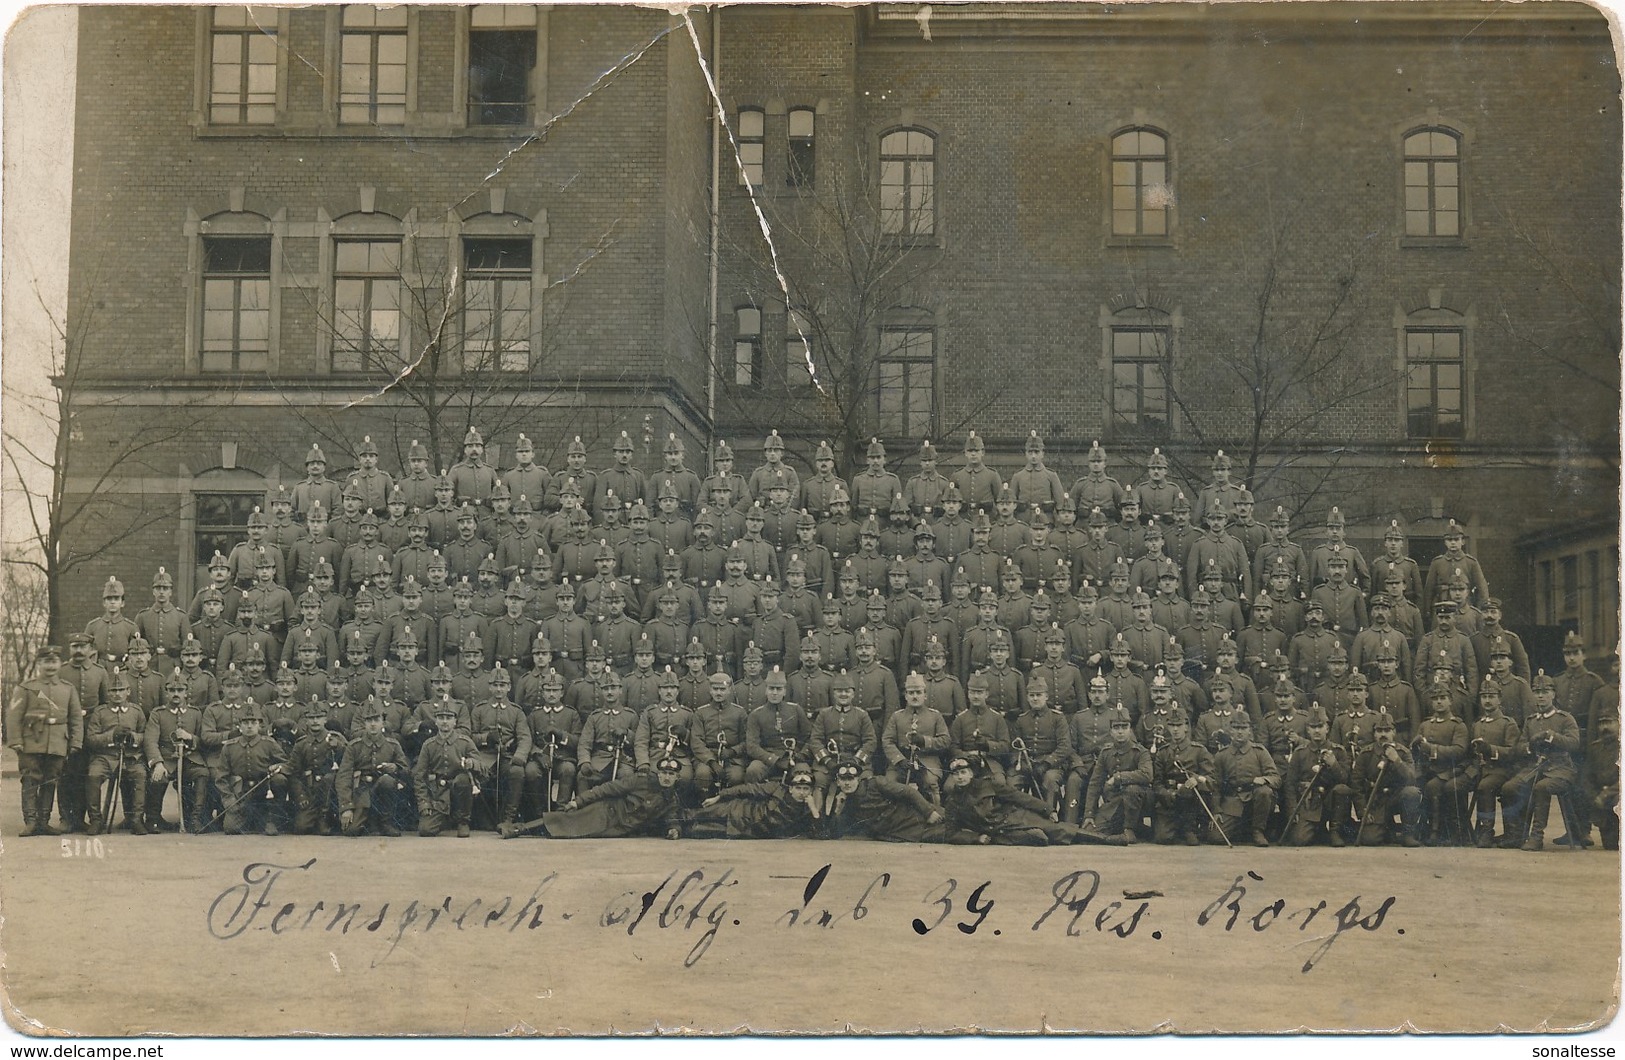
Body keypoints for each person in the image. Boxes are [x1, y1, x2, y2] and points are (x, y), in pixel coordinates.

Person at [942, 754, 1118, 846]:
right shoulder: (953, 802)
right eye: (956, 774)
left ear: (971, 773)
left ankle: (1105, 839)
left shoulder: (989, 784)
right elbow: (951, 833)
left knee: (1057, 830)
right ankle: (1034, 836)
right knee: (1039, 837)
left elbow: (1019, 796)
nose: (960, 777)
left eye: (963, 773)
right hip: (998, 834)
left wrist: (1047, 809)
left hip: (1015, 817)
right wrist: (976, 838)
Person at [1504, 670, 1582, 851]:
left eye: (1545, 692)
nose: (1540, 696)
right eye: (1537, 693)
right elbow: (1519, 747)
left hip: (1561, 768)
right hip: (1536, 767)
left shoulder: (1564, 718)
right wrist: (1530, 746)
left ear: (1553, 695)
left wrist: (1551, 736)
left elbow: (1574, 743)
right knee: (1510, 787)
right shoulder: (1530, 721)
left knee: (1541, 787)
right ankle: (1514, 834)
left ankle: (1536, 836)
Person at [529, 756, 686, 839]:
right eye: (663, 773)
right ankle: (519, 829)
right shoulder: (640, 780)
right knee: (563, 820)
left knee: (566, 833)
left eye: (671, 774)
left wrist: (674, 830)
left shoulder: (672, 799)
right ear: (658, 774)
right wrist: (578, 801)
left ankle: (527, 830)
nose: (666, 777)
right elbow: (607, 789)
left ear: (677, 777)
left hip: (618, 830)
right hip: (604, 812)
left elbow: (671, 818)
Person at [82, 668, 147, 836]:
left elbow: (145, 734)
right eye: (113, 690)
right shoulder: (100, 712)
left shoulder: (136, 711)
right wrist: (111, 736)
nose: (117, 694)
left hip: (130, 757)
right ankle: (96, 819)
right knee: (93, 775)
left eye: (121, 690)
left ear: (128, 691)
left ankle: (136, 819)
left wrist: (133, 737)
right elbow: (91, 739)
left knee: (140, 774)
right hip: (105, 757)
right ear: (108, 693)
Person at [687, 763, 821, 839]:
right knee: (694, 815)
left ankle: (674, 830)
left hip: (747, 830)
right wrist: (720, 795)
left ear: (810, 791)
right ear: (791, 788)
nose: (802, 792)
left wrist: (814, 811)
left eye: (805, 789)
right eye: (798, 788)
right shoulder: (777, 788)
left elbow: (820, 834)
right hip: (739, 810)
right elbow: (749, 788)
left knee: (695, 831)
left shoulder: (808, 808)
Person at [1280, 705, 1351, 847]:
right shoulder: (1300, 753)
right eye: (1313, 727)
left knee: (1342, 789)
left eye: (1320, 726)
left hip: (1330, 802)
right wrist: (1293, 811)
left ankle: (1334, 831)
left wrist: (1334, 764)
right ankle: (1319, 831)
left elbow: (1345, 779)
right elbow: (1290, 784)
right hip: (1309, 803)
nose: (1317, 730)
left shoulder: (1338, 751)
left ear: (1327, 728)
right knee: (1300, 840)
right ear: (1307, 730)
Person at [337, 703, 410, 837]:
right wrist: (346, 807)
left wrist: (395, 768)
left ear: (383, 723)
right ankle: (369, 822)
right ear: (364, 723)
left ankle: (386, 822)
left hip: (384, 791)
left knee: (387, 781)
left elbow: (406, 769)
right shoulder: (354, 746)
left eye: (376, 720)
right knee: (351, 831)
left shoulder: (392, 744)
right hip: (361, 792)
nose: (373, 724)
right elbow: (344, 776)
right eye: (369, 720)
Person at [1352, 710, 1423, 847]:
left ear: (1394, 732)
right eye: (1379, 730)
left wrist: (1396, 760)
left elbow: (1411, 779)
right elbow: (1356, 784)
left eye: (1387, 730)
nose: (1383, 734)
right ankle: (1388, 829)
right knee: (1370, 840)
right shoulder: (1366, 754)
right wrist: (1363, 811)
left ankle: (1408, 833)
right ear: (1374, 733)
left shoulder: (1403, 752)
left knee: (1412, 792)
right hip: (1376, 801)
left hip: (1396, 799)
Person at [1083, 705, 1153, 842]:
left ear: (1130, 730)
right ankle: (1136, 829)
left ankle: (1130, 829)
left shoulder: (1140, 751)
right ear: (1110, 731)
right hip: (1115, 801)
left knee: (1132, 789)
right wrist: (1089, 815)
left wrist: (1119, 778)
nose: (1120, 731)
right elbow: (1095, 784)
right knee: (1090, 833)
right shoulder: (1106, 753)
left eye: (1124, 727)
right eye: (1116, 728)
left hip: (1138, 800)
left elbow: (1147, 774)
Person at [1469, 682, 1526, 848]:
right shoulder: (1477, 724)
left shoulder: (1508, 723)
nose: (1487, 700)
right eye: (1484, 697)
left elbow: (1512, 753)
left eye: (1491, 697)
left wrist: (1490, 749)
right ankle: (1463, 830)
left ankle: (1487, 831)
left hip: (1502, 771)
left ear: (1499, 699)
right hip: (1481, 770)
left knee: (1485, 786)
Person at [1413, 685, 1471, 845]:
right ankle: (1418, 828)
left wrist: (1432, 750)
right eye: (1435, 699)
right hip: (1428, 770)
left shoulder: (1458, 725)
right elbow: (1418, 752)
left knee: (1432, 787)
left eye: (1442, 698)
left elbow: (1459, 751)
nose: (1439, 702)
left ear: (1450, 701)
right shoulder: (1425, 725)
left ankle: (1435, 831)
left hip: (1450, 770)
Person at [220, 707, 290, 836]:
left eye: (254, 723)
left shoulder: (269, 743)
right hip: (241, 793)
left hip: (264, 791)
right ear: (239, 725)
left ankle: (271, 819)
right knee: (231, 829)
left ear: (259, 725)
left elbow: (287, 764)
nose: (249, 726)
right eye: (245, 723)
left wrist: (277, 766)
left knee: (279, 780)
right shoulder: (229, 747)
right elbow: (221, 777)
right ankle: (250, 819)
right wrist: (229, 800)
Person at [1212, 714, 1278, 847]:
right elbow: (1216, 785)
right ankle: (1242, 830)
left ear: (1249, 730)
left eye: (1243, 728)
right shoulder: (1222, 755)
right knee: (1216, 837)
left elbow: (1276, 778)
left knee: (1264, 792)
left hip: (1255, 801)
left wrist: (1264, 779)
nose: (1239, 732)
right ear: (1230, 730)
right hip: (1232, 802)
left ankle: (1257, 830)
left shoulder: (1259, 751)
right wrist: (1217, 810)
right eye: (1236, 728)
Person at [414, 701, 479, 838]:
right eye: (441, 718)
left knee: (463, 779)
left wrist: (471, 763)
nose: (445, 722)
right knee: (425, 830)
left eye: (449, 718)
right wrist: (424, 804)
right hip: (439, 795)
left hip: (460, 793)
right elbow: (419, 777)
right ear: (436, 721)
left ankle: (462, 821)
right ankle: (446, 819)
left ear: (455, 721)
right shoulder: (428, 745)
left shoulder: (465, 742)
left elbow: (481, 765)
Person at [1151, 713, 1217, 845]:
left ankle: (1189, 829)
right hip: (1169, 800)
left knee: (1187, 792)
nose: (1175, 729)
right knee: (1163, 838)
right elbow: (1157, 782)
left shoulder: (1199, 750)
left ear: (1186, 727)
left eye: (1179, 725)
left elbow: (1212, 778)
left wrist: (1197, 779)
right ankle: (1177, 828)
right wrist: (1168, 793)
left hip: (1191, 803)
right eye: (1172, 725)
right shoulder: (1163, 752)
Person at [289, 701, 347, 835]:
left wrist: (338, 747)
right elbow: (294, 773)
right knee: (301, 828)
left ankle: (324, 818)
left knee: (329, 777)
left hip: (331, 792)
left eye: (318, 717)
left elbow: (348, 762)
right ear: (306, 721)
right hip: (311, 792)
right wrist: (301, 796)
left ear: (325, 719)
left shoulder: (337, 738)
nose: (315, 721)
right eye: (311, 718)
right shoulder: (301, 744)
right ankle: (315, 818)